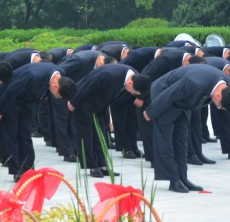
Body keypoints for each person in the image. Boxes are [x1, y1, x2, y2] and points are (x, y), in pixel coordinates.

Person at [145, 63, 230, 193]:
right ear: (218, 96)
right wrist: (151, 111)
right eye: (219, 106)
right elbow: (171, 93)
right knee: (165, 141)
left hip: (185, 101)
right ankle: (174, 180)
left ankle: (183, 178)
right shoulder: (195, 82)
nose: (218, 107)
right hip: (164, 96)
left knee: (181, 141)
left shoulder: (226, 83)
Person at [0, 63, 76, 179]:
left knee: (25, 136)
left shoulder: (60, 74)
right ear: (55, 86)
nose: (55, 97)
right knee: (12, 136)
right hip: (10, 100)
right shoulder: (33, 75)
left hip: (27, 102)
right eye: (57, 96)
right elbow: (12, 90)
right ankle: (17, 171)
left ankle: (28, 168)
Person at [68, 63, 151, 178]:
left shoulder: (132, 74)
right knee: (86, 135)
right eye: (134, 92)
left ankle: (102, 165)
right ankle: (92, 166)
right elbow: (88, 85)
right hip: (85, 103)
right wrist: (74, 102)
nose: (132, 94)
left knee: (101, 134)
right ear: (130, 83)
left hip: (101, 105)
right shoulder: (109, 75)